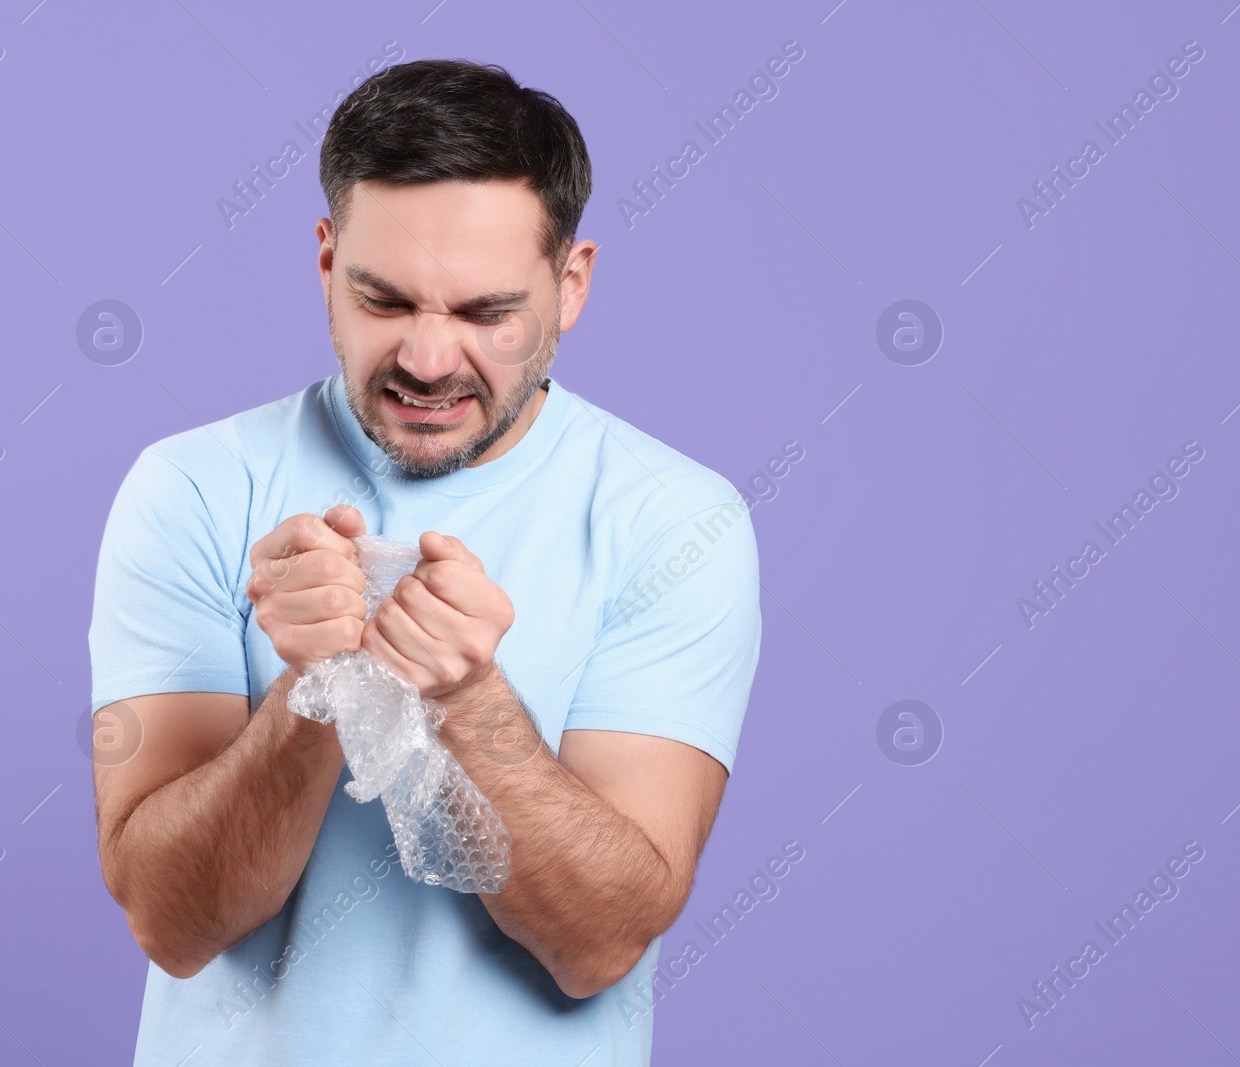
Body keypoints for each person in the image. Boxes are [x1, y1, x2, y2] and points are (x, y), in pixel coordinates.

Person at [87, 57, 761, 1067]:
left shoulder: (676, 521)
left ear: (570, 284)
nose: (430, 359)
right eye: (386, 301)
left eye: (485, 313)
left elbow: (600, 940)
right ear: (325, 263)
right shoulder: (189, 487)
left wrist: (468, 698)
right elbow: (173, 923)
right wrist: (317, 687)